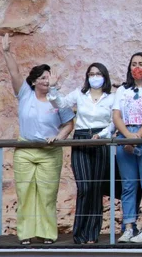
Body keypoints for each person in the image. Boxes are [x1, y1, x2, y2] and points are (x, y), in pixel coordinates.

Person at [0, 33, 74, 246]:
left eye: (48, 77)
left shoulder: (58, 98)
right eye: (42, 77)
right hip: (25, 148)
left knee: (47, 193)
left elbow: (69, 123)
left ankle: (47, 234)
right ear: (34, 81)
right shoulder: (25, 94)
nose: (46, 80)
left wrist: (58, 138)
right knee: (25, 191)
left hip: (49, 151)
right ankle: (25, 235)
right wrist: (6, 52)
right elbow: (14, 72)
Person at [48, 62, 116, 244]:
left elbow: (115, 121)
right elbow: (60, 103)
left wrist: (101, 135)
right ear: (87, 77)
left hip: (100, 140)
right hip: (81, 138)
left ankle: (92, 234)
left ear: (105, 77)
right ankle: (79, 233)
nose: (95, 77)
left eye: (98, 73)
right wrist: (53, 87)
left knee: (96, 189)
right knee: (84, 187)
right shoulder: (79, 94)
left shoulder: (111, 98)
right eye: (91, 74)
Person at [111, 52, 142, 243]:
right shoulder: (123, 90)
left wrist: (138, 136)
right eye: (133, 64)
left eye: (141, 64)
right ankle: (129, 226)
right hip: (126, 134)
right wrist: (127, 136)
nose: (137, 67)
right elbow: (116, 116)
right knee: (128, 184)